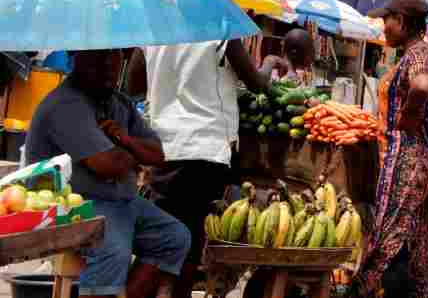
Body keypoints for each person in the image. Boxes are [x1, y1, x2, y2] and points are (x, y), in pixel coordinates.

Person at [126, 37, 290, 298]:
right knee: (186, 246)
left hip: (163, 150)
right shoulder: (221, 30)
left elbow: (134, 86)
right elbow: (257, 83)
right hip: (205, 148)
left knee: (163, 241)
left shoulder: (153, 31)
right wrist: (269, 62)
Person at [26, 50, 190, 298]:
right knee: (114, 251)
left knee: (175, 237)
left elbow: (157, 155)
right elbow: (108, 165)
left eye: (113, 56)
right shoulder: (67, 105)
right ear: (77, 58)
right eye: (97, 57)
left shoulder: (118, 102)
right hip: (77, 204)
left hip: (121, 201)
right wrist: (134, 152)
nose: (107, 65)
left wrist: (124, 140)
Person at [353, 0, 428, 298]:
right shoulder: (427, 54)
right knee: (414, 238)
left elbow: (423, 84)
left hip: (407, 159)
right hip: (422, 158)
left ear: (401, 21)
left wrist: (410, 117)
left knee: (390, 237)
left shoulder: (418, 54)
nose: (383, 27)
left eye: (386, 21)